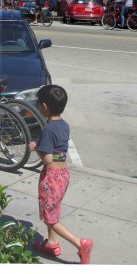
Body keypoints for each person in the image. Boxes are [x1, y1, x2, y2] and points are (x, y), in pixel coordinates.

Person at [28, 85, 93, 264]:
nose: (37, 106)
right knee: (53, 210)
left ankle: (80, 244)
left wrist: (36, 149)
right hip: (63, 174)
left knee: (49, 217)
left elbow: (48, 159)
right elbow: (59, 153)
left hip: (51, 177)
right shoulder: (63, 125)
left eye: (38, 104)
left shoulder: (48, 130)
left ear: (45, 107)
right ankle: (52, 243)